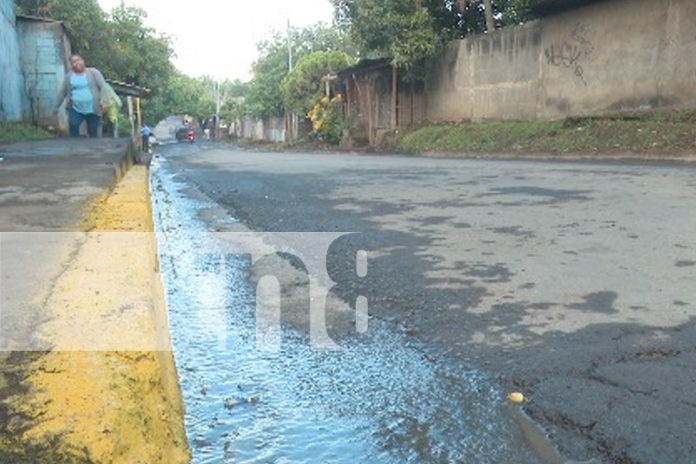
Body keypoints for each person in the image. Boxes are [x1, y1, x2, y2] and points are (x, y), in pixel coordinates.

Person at [55, 54, 109, 138]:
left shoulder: (93, 72)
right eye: (73, 62)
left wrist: (104, 102)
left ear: (83, 61)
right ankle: (74, 149)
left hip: (93, 109)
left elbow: (103, 87)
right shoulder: (69, 76)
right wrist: (56, 107)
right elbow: (63, 92)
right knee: (73, 126)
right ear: (71, 65)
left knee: (93, 132)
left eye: (78, 60)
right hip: (75, 108)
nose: (77, 63)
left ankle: (94, 150)